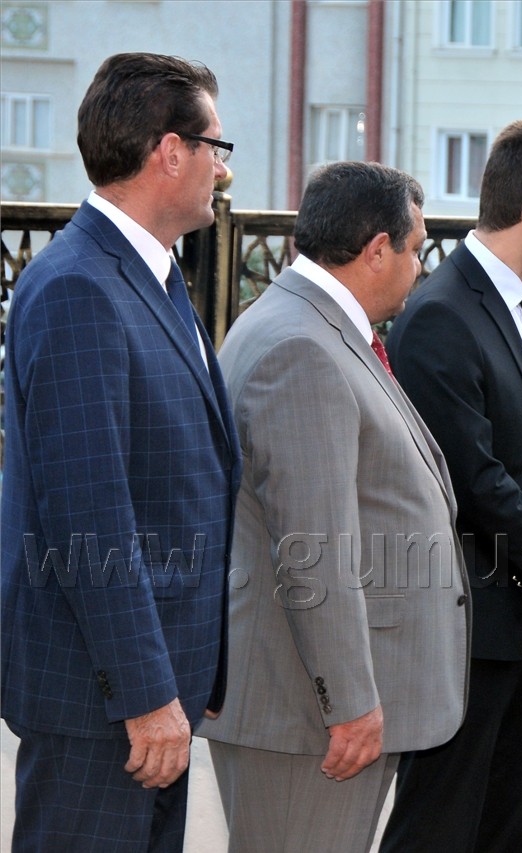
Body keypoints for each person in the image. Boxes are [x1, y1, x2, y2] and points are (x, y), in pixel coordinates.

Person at [0, 52, 240, 851]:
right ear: (169, 152)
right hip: (104, 706)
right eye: (216, 147)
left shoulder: (150, 276)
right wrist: (143, 692)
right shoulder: (79, 287)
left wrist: (193, 671)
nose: (222, 170)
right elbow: (89, 514)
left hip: (154, 691)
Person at [198, 162, 471, 851]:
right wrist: (347, 702)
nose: (419, 267)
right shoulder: (301, 346)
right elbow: (313, 549)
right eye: (415, 249)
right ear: (377, 249)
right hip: (309, 717)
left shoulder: (310, 325)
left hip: (311, 709)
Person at [378, 119, 522, 853]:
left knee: (503, 823)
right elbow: (472, 476)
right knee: (440, 826)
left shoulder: (521, 300)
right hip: (467, 625)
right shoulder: (442, 313)